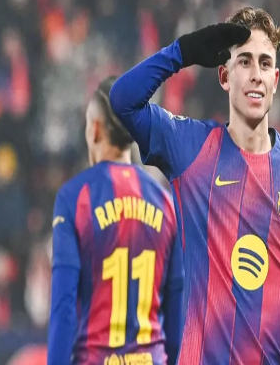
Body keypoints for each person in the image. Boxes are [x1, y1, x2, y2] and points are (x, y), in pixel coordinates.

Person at [110, 7, 280, 365]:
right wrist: (182, 53)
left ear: (275, 80)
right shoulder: (190, 147)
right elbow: (122, 101)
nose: (256, 75)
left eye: (265, 64)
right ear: (224, 75)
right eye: (245, 62)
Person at [47, 77, 183, 365]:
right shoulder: (167, 203)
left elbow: (64, 309)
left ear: (95, 129)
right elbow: (178, 312)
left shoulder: (75, 198)